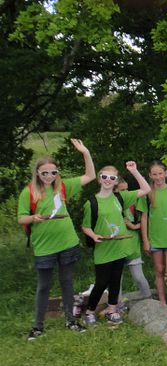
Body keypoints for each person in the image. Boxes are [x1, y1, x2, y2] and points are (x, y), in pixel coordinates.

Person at [18, 138, 95, 340]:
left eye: (53, 172)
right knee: (44, 285)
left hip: (67, 242)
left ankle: (71, 320)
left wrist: (85, 152)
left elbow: (90, 175)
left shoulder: (62, 187)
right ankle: (37, 326)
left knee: (67, 282)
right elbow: (21, 218)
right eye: (45, 173)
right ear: (37, 173)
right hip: (44, 246)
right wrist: (33, 218)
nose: (50, 176)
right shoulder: (28, 192)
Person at [82, 162, 151, 326]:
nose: (107, 180)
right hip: (103, 248)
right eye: (104, 176)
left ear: (115, 182)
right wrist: (94, 235)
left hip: (119, 248)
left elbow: (146, 189)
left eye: (112, 178)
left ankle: (112, 310)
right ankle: (89, 312)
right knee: (101, 282)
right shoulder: (91, 203)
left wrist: (134, 171)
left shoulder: (120, 197)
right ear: (99, 179)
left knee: (115, 280)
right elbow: (85, 226)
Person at [137, 161, 167, 313]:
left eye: (160, 173)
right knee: (159, 270)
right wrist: (145, 240)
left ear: (166, 173)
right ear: (150, 176)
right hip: (155, 239)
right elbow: (144, 218)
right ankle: (162, 302)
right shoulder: (147, 193)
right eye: (154, 174)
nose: (158, 177)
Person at [115, 179, 152, 304]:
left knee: (138, 277)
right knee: (117, 278)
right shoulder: (111, 202)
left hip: (132, 245)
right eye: (122, 190)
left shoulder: (135, 200)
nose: (126, 192)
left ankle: (149, 299)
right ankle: (117, 305)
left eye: (127, 189)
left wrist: (134, 226)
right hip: (116, 246)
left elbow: (145, 217)